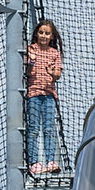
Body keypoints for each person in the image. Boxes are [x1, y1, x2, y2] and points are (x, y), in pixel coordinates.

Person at [25, 19, 65, 175]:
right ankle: (34, 162)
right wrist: (32, 60)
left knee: (49, 128)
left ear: (51, 36)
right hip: (34, 94)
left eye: (47, 33)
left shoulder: (54, 53)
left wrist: (51, 73)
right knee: (34, 129)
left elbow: (57, 74)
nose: (43, 35)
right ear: (36, 34)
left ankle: (50, 161)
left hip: (48, 95)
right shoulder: (31, 49)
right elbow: (28, 72)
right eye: (41, 32)